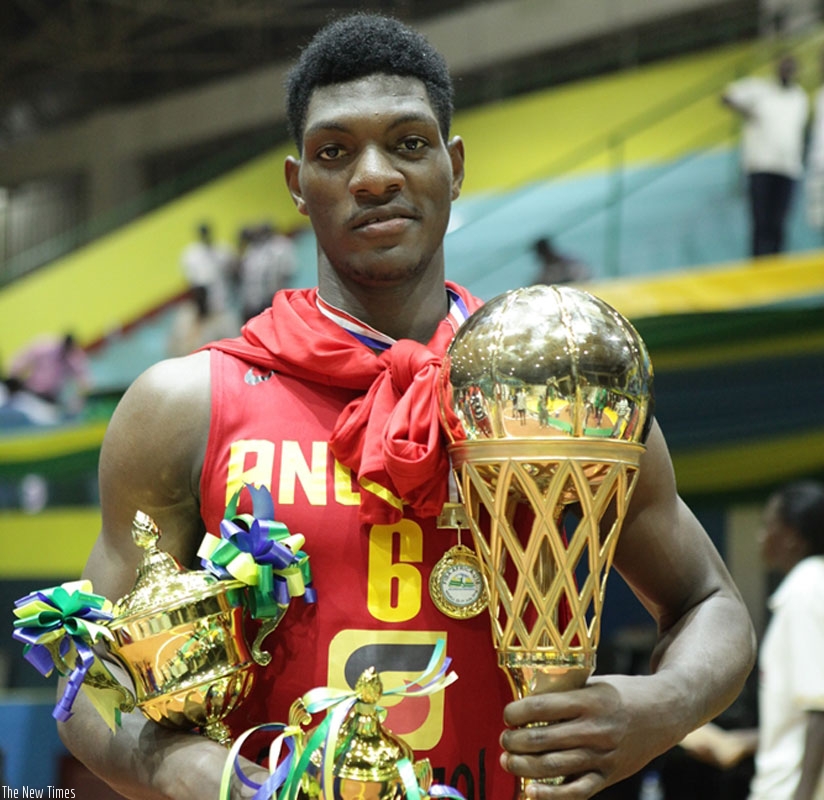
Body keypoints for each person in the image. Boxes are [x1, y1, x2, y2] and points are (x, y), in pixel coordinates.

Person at [58, 14, 755, 799]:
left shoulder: (559, 386)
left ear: (454, 167)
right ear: (297, 185)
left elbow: (711, 603)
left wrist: (663, 705)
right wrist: (182, 767)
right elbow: (89, 676)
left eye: (409, 143)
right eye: (334, 151)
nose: (375, 175)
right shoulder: (186, 405)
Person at [679, 480, 824, 799]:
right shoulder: (810, 587)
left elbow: (820, 710)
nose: (761, 536)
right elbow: (800, 719)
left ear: (792, 538)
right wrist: (738, 742)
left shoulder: (806, 591)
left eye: (768, 525)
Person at [721, 54, 809, 258]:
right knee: (761, 222)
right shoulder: (759, 90)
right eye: (783, 66)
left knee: (779, 223)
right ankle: (758, 268)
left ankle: (776, 270)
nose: (787, 70)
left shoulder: (800, 97)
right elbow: (727, 97)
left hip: (788, 168)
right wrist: (744, 111)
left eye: (791, 67)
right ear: (775, 68)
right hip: (760, 166)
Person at [7, 332, 90, 415]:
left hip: (52, 397)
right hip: (31, 392)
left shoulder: (73, 357)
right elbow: (21, 361)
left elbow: (82, 378)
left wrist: (80, 398)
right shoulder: (45, 348)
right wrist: (13, 377)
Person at [236, 222, 298, 322]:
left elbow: (286, 272)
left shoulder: (281, 246)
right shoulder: (253, 248)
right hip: (252, 301)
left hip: (271, 299)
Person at [179, 221, 235, 315]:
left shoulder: (222, 249)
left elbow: (234, 269)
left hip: (226, 299)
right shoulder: (191, 254)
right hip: (205, 304)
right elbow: (191, 281)